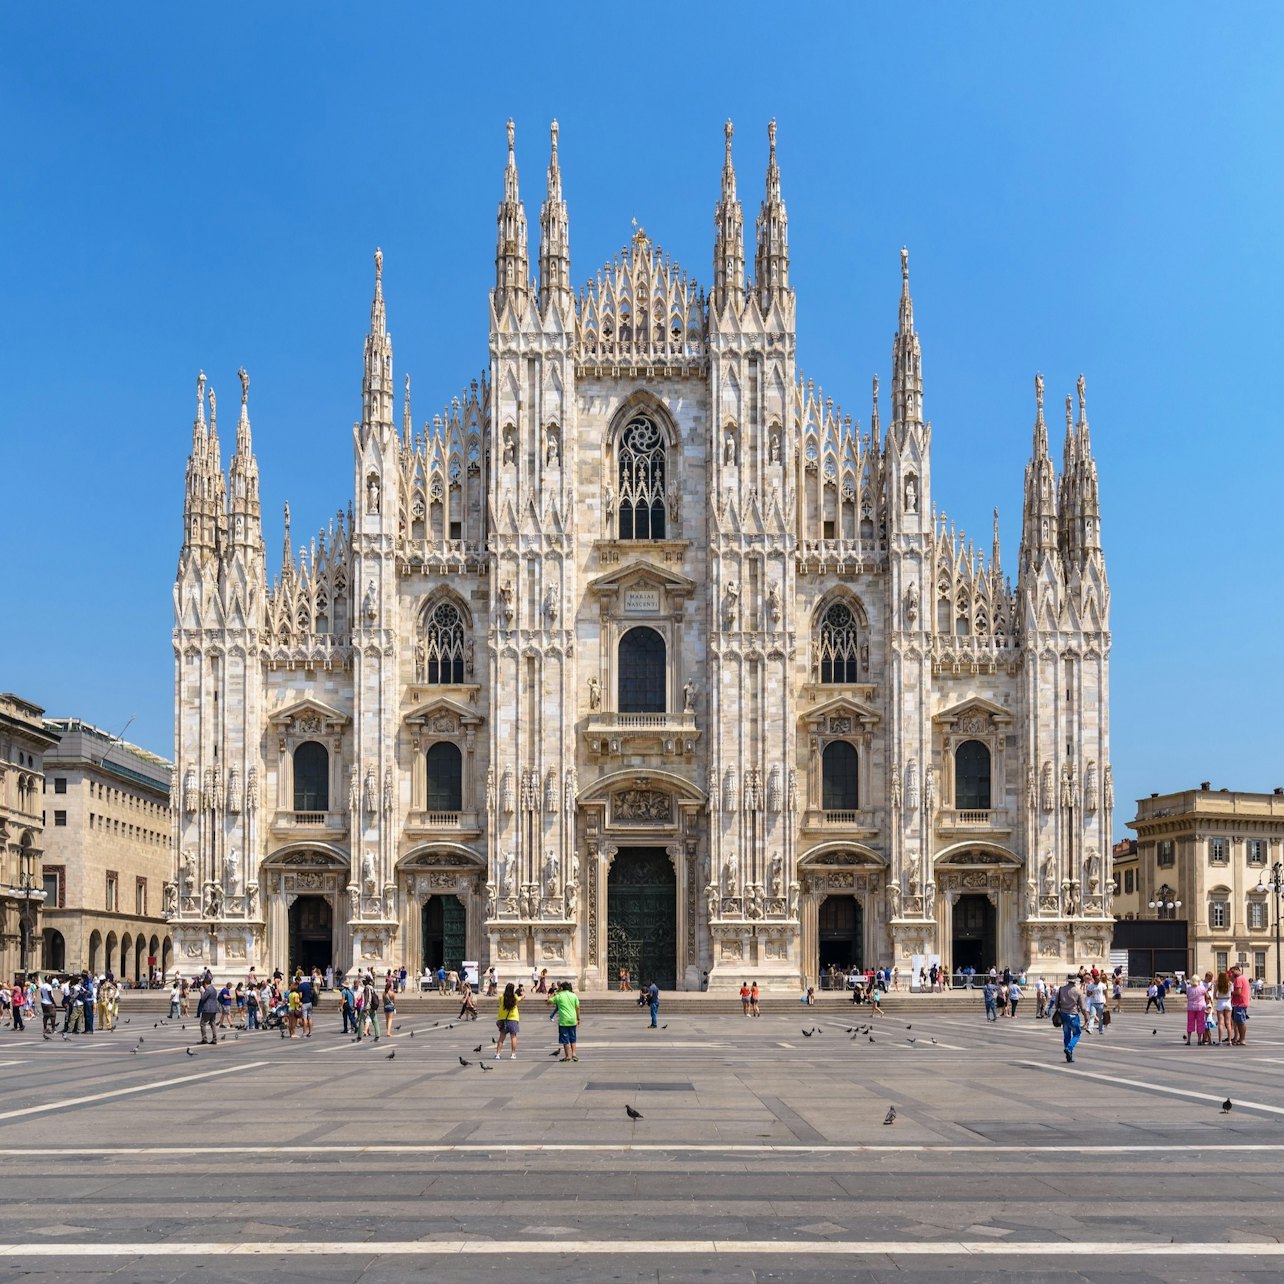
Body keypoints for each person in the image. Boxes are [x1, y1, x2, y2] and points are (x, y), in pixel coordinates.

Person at [1053, 974, 1090, 1063]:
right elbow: (1083, 1007)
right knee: (1077, 1033)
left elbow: (1056, 1003)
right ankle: (1069, 1049)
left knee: (1066, 1035)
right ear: (1075, 981)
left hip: (1063, 1015)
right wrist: (1086, 1017)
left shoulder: (1061, 989)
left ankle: (1069, 1055)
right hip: (1073, 1015)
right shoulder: (1078, 991)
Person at [550, 981, 581, 1061]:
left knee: (565, 1039)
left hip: (563, 1021)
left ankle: (567, 1056)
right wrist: (578, 1018)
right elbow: (577, 1007)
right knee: (573, 1038)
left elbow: (549, 1001)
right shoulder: (574, 995)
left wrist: (554, 993)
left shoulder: (559, 995)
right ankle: (574, 1054)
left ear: (562, 988)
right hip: (573, 1020)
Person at [495, 982, 521, 1058]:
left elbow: (500, 1004)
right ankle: (513, 1054)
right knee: (513, 1037)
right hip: (513, 1019)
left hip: (503, 1019)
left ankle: (498, 1054)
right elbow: (519, 999)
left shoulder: (501, 996)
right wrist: (523, 995)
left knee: (501, 1038)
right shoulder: (514, 997)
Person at [1229, 964, 1251, 1045]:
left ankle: (1242, 1039)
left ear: (1237, 970)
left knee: (1241, 1022)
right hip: (1241, 1002)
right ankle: (1241, 1038)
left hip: (1240, 1003)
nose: (1231, 973)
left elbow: (1238, 992)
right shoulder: (1243, 978)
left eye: (1232, 971)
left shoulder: (1239, 979)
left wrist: (1229, 993)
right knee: (1239, 1021)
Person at [1212, 970, 1233, 1045]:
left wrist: (1218, 998)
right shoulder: (1230, 984)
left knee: (1221, 1023)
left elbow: (1214, 996)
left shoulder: (1217, 984)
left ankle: (1220, 1041)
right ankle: (1230, 1041)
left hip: (1220, 1002)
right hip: (1228, 1002)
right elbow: (1231, 993)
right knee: (1228, 1023)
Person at [197, 977, 220, 1044]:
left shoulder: (208, 990)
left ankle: (204, 1038)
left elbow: (203, 998)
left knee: (202, 1023)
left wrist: (202, 992)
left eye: (204, 985)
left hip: (207, 1009)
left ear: (205, 984)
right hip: (214, 1008)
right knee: (212, 1023)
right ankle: (215, 1038)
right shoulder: (214, 989)